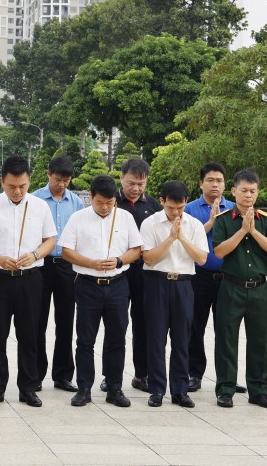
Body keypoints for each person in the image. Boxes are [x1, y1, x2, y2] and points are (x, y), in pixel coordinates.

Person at [0, 156, 57, 408]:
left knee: (29, 334)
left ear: (29, 181)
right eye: (11, 186)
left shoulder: (40, 206)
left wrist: (35, 255)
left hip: (30, 279)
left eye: (22, 186)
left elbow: (50, 240)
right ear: (2, 182)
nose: (17, 191)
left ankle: (28, 387)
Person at [58, 175, 141, 408]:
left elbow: (136, 249)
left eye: (109, 202)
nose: (105, 207)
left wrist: (118, 260)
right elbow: (66, 251)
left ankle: (114, 387)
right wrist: (90, 263)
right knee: (85, 339)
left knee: (117, 338)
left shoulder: (125, 217)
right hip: (87, 285)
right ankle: (84, 387)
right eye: (100, 202)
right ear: (91, 198)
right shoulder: (78, 218)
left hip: (117, 285)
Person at [211, 168, 267, 409]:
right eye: (243, 190)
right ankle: (225, 389)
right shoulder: (223, 220)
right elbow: (219, 251)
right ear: (233, 191)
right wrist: (242, 231)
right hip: (231, 287)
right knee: (226, 340)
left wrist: (253, 232)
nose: (248, 195)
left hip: (259, 288)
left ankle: (258, 390)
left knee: (260, 342)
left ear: (258, 192)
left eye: (253, 191)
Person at [140, 181, 209, 408]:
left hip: (184, 284)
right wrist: (170, 238)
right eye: (171, 208)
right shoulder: (150, 223)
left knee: (182, 339)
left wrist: (181, 237)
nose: (175, 212)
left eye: (180, 207)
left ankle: (180, 390)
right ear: (162, 201)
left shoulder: (195, 225)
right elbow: (149, 258)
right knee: (156, 339)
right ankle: (157, 389)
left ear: (186, 202)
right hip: (157, 282)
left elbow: (201, 258)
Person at [101, 158, 161, 393]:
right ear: (121, 179)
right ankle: (110, 375)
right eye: (131, 183)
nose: (136, 188)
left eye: (141, 183)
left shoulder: (154, 206)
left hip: (146, 275)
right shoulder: (110, 204)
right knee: (115, 326)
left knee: (144, 325)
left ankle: (141, 374)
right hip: (117, 273)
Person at [183, 163, 241, 394]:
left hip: (228, 277)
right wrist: (211, 222)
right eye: (210, 180)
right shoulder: (189, 209)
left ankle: (227, 377)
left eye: (219, 180)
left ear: (226, 184)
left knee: (227, 329)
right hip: (198, 276)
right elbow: (185, 240)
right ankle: (194, 374)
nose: (215, 184)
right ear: (201, 183)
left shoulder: (236, 208)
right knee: (194, 327)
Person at [31, 155, 83, 393]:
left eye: (66, 179)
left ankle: (63, 375)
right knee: (36, 321)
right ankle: (35, 374)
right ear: (48, 174)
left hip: (66, 265)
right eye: (57, 179)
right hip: (41, 264)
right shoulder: (35, 200)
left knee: (65, 322)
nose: (62, 184)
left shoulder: (76, 203)